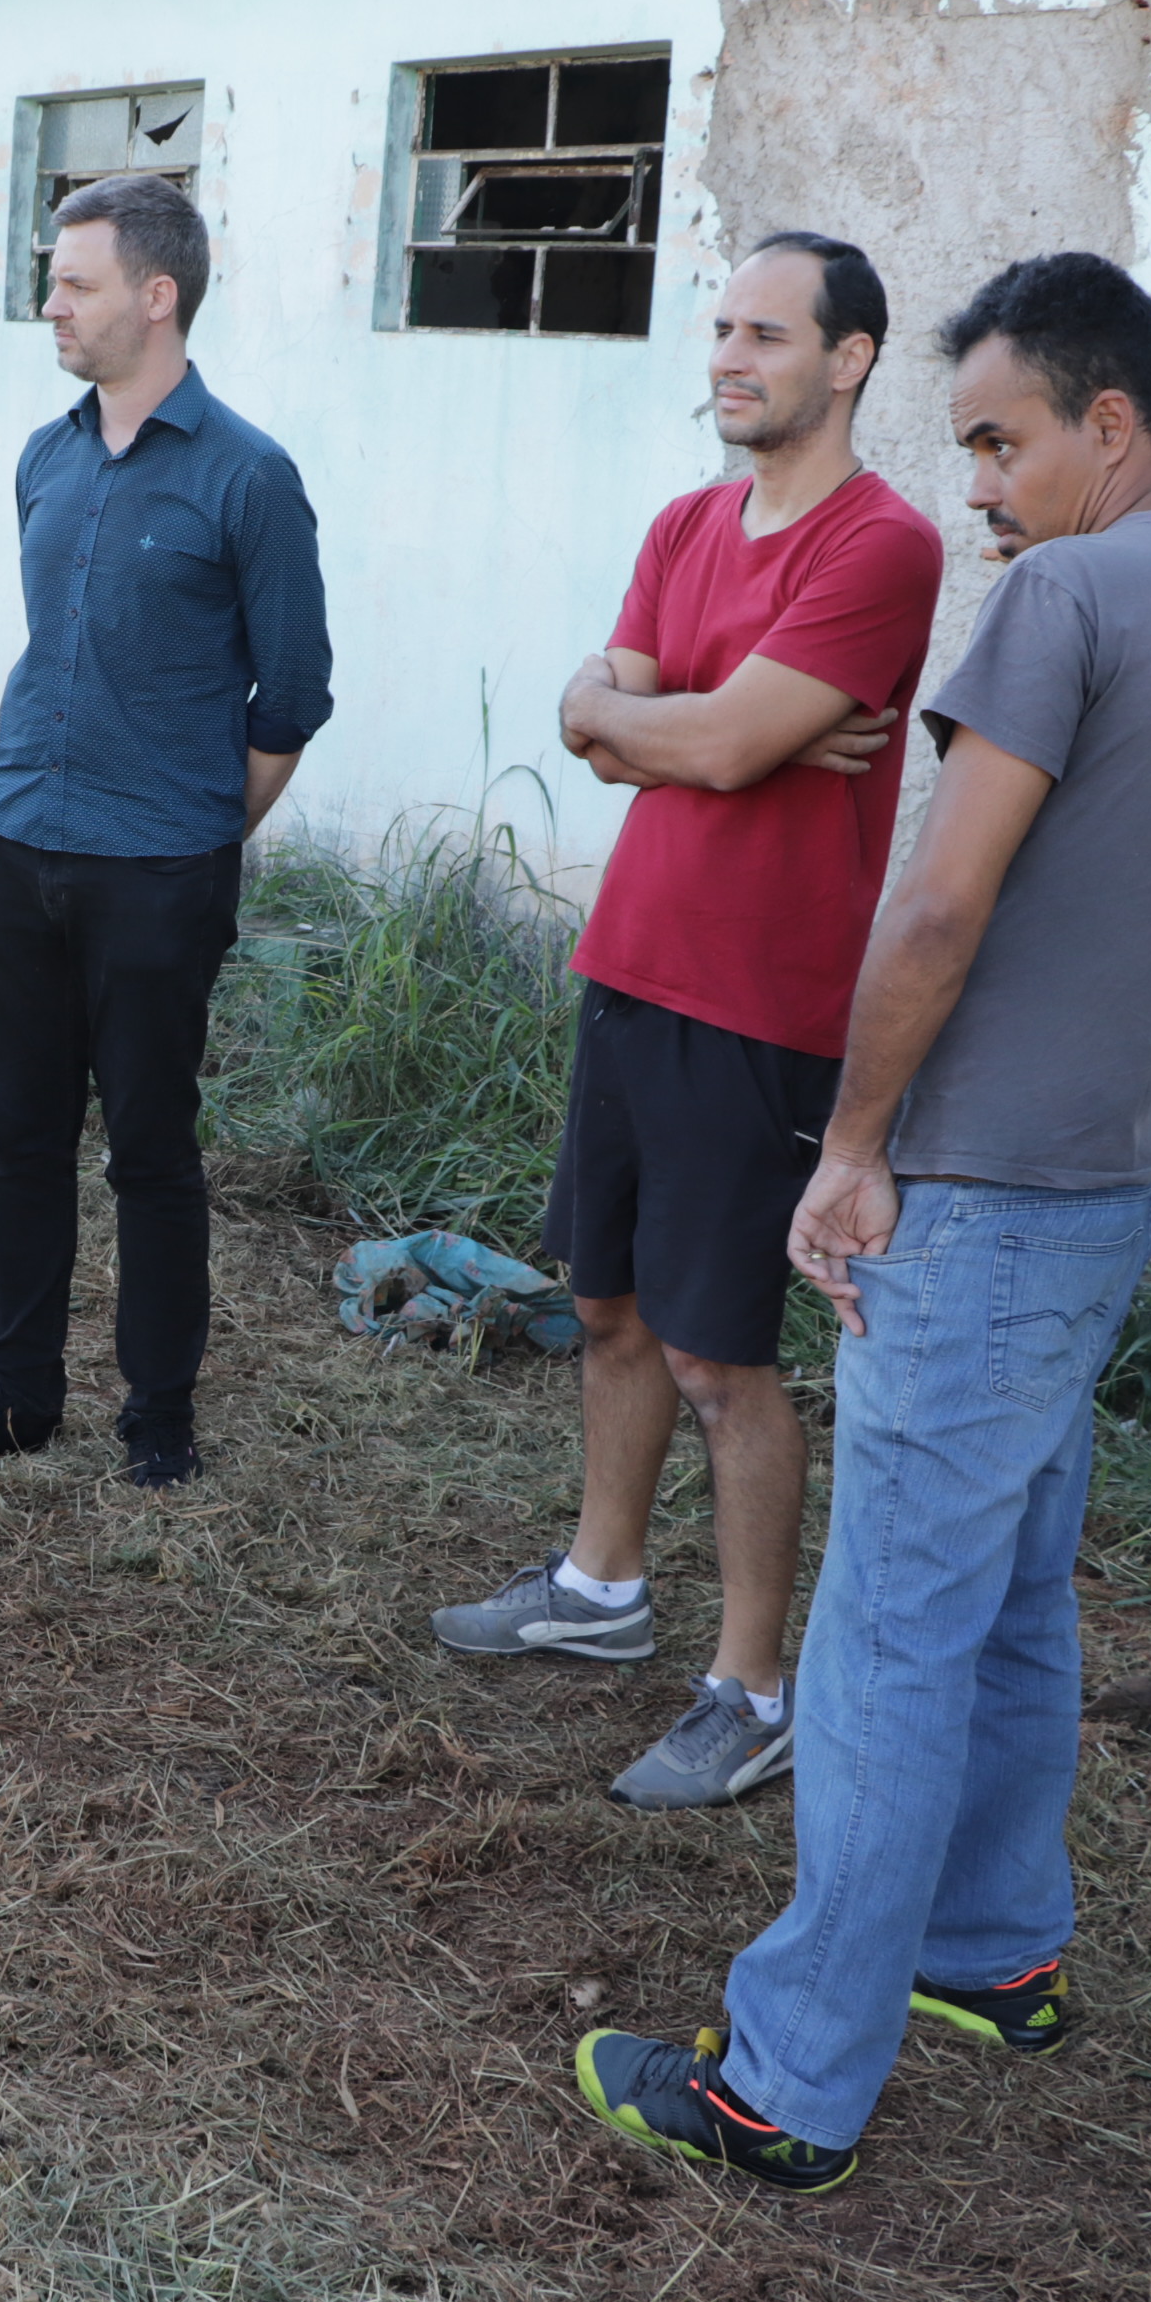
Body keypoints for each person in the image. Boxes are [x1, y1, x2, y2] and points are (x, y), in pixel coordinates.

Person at [570, 252, 1151, 2193]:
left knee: (886, 1636)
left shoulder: (1072, 593)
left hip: (981, 1187)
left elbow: (934, 909)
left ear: (1110, 424)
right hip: (1113, 1168)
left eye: (1000, 442)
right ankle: (993, 1950)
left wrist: (856, 1139)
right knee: (1007, 1597)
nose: (979, 486)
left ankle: (785, 2079)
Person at [428, 235, 939, 1817]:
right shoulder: (684, 522)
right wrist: (682, 730)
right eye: (720, 328)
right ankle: (599, 1588)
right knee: (610, 1311)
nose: (729, 357)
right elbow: (615, 718)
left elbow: (695, 742)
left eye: (765, 334)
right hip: (635, 965)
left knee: (725, 1359)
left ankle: (753, 1685)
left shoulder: (884, 544)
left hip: (763, 1007)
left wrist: (677, 732)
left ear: (849, 358)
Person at [0, 172, 332, 1490]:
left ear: (158, 295)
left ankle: (159, 1420)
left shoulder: (251, 477)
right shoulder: (47, 454)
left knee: (150, 1150)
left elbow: (293, 696)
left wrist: (194, 837)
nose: (52, 304)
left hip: (158, 876)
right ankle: (17, 1396)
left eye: (74, 283)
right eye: (51, 280)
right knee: (21, 1138)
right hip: (14, 846)